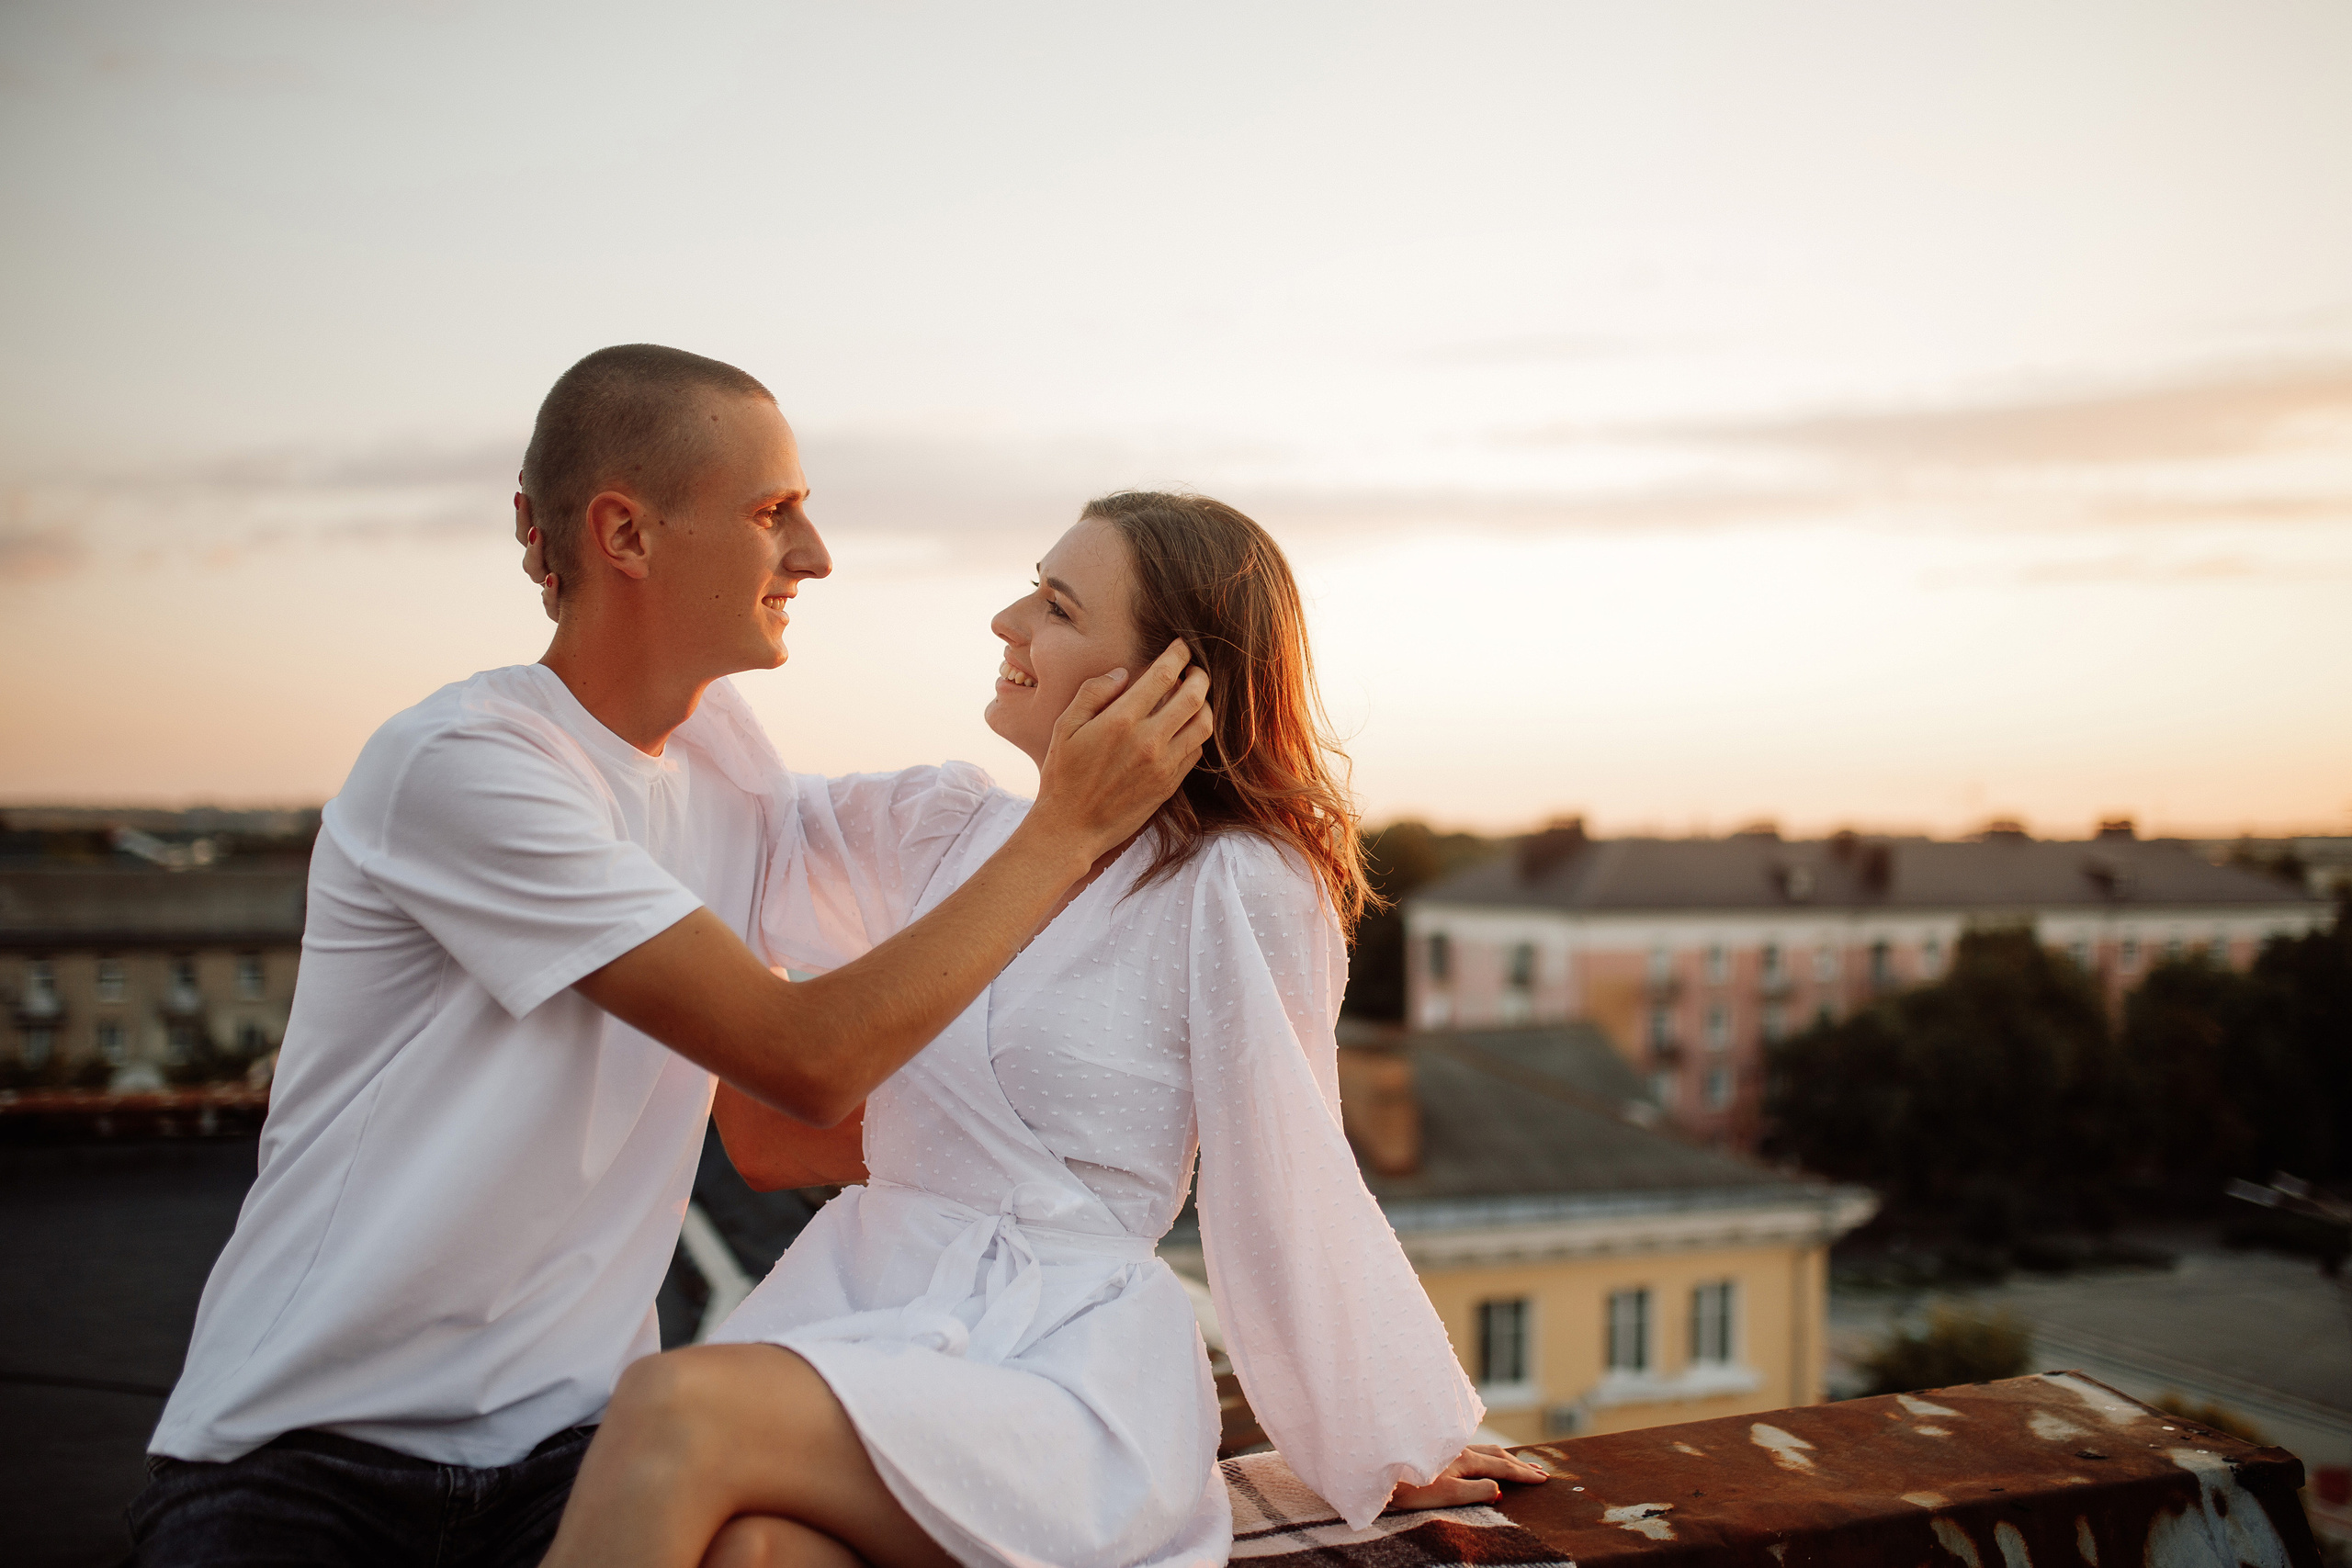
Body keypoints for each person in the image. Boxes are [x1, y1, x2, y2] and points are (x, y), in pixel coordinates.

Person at [129, 346, 1212, 1568]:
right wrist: (1070, 826)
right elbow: (806, 1058)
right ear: (626, 534)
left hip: (572, 1450)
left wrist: (1100, 1185)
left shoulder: (729, 771)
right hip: (312, 1462)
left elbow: (762, 1132)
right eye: (771, 514)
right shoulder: (464, 768)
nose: (815, 555)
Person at [536, 491, 1547, 1568]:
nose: (1007, 621)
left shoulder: (1236, 884)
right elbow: (726, 807)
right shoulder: (941, 831)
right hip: (872, 1311)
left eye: (1058, 608)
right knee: (755, 1553)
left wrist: (1383, 1438)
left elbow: (1286, 1175)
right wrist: (637, 587)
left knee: (675, 1408)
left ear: (1165, 681)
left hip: (1068, 1376)